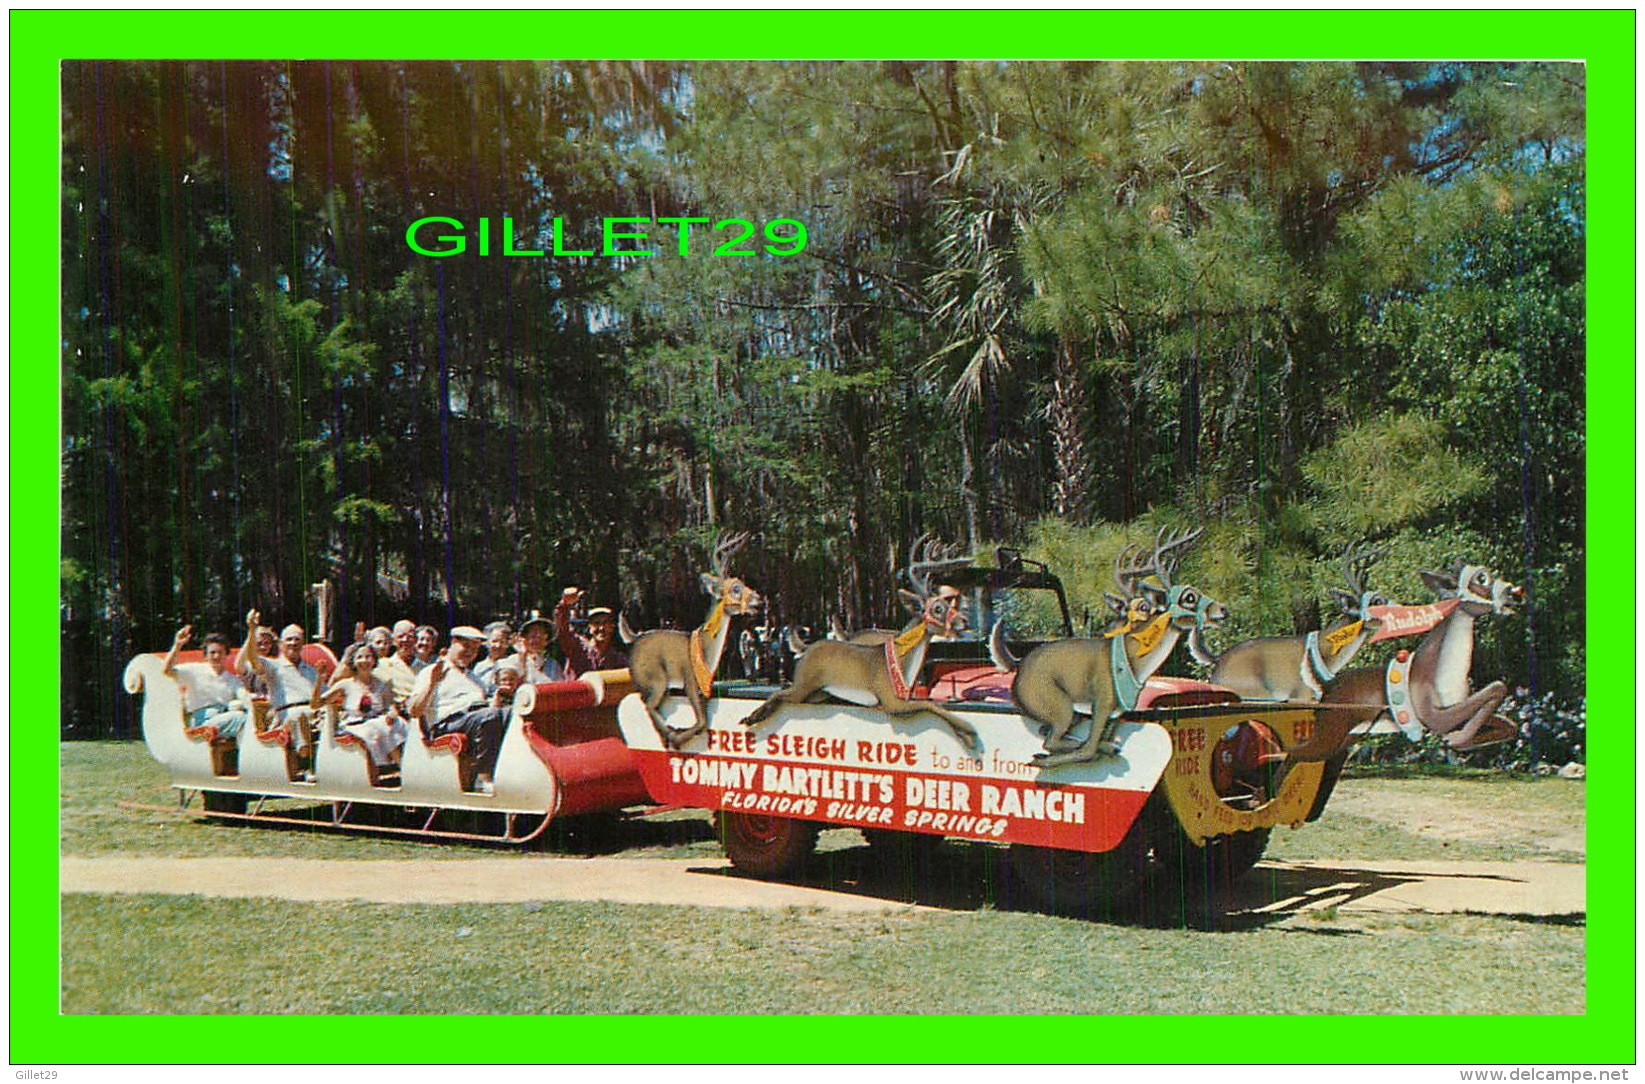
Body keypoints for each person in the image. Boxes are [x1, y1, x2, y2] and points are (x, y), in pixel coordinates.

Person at [405, 626, 511, 795]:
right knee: (489, 716)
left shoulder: (474, 678)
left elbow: (489, 713)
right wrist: (431, 684)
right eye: (466, 647)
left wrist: (498, 700)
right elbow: (414, 711)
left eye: (475, 649)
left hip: (475, 719)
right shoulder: (433, 671)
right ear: (454, 643)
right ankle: (482, 777)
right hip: (446, 725)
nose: (470, 652)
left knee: (511, 713)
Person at [239, 612, 324, 771]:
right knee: (298, 715)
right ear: (281, 644)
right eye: (289, 639)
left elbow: (324, 696)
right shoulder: (273, 667)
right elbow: (252, 659)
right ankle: (306, 763)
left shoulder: (311, 670)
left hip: (315, 714)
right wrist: (252, 630)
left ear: (303, 643)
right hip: (288, 715)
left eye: (297, 639)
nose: (293, 643)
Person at [318, 641, 408, 769]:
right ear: (353, 661)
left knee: (397, 723)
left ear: (374, 660)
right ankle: (398, 767)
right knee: (379, 727)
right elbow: (317, 704)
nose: (364, 661)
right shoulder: (345, 684)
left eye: (368, 657)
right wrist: (318, 680)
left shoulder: (382, 684)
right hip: (355, 726)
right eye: (359, 657)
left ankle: (401, 766)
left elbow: (391, 706)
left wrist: (393, 713)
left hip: (378, 722)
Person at [162, 623, 251, 741]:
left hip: (225, 719)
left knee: (248, 719)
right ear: (205, 656)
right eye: (212, 652)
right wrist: (177, 645)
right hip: (201, 722)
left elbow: (244, 696)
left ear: (226, 654)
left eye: (220, 652)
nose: (216, 656)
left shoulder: (232, 679)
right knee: (240, 718)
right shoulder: (194, 670)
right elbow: (167, 671)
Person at [554, 587, 629, 677]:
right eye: (597, 623)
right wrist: (564, 605)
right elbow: (562, 630)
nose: (601, 628)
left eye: (606, 623)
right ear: (589, 627)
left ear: (612, 627)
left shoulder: (619, 659)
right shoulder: (577, 648)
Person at [500, 612, 563, 684]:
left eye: (540, 637)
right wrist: (522, 657)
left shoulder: (553, 665)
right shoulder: (512, 661)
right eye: (533, 636)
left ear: (546, 641)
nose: (536, 641)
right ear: (524, 639)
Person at [377, 619, 419, 706]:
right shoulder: (383, 665)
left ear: (416, 640)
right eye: (401, 636)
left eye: (410, 636)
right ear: (393, 640)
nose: (405, 640)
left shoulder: (426, 667)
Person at [471, 620, 514, 693]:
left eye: (502, 642)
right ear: (486, 643)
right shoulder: (480, 667)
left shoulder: (513, 663)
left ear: (508, 643)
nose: (498, 646)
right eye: (494, 641)